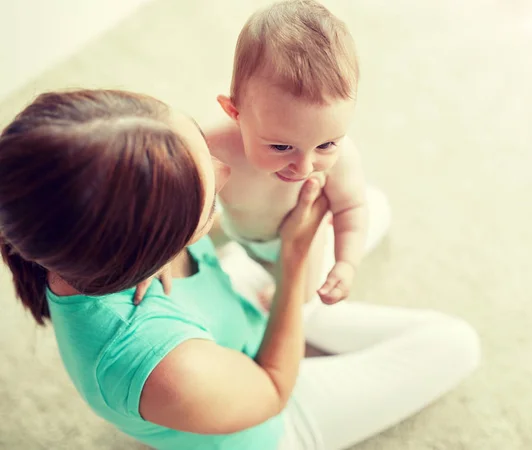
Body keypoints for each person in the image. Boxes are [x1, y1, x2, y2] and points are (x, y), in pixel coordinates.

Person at [0, 89, 480, 450]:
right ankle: (306, 310)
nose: (224, 170)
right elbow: (272, 389)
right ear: (144, 247)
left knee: (367, 205)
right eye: (207, 195)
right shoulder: (157, 365)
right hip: (269, 415)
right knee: (455, 343)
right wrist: (294, 268)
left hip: (232, 310)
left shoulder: (86, 228)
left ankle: (304, 305)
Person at [208, 0, 369, 307]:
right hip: (231, 225)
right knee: (186, 253)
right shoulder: (215, 145)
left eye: (326, 145)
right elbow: (173, 185)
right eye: (281, 147)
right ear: (235, 112)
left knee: (297, 299)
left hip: (298, 241)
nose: (304, 168)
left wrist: (346, 264)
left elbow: (352, 208)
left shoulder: (344, 158)